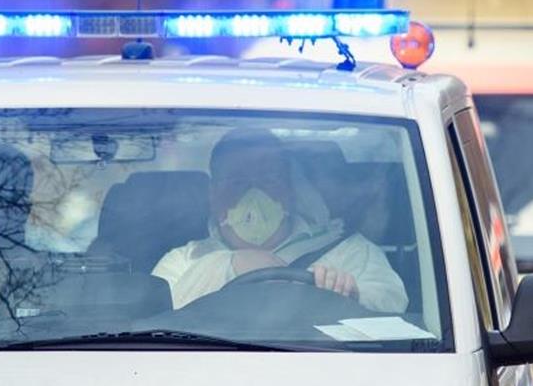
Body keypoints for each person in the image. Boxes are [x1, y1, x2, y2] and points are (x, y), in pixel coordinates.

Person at [152, 129, 408, 313]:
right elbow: (159, 317)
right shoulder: (183, 261)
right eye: (237, 181)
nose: (253, 192)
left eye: (268, 179)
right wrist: (228, 265)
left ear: (290, 189)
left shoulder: (348, 251)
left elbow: (394, 301)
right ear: (212, 194)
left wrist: (354, 294)